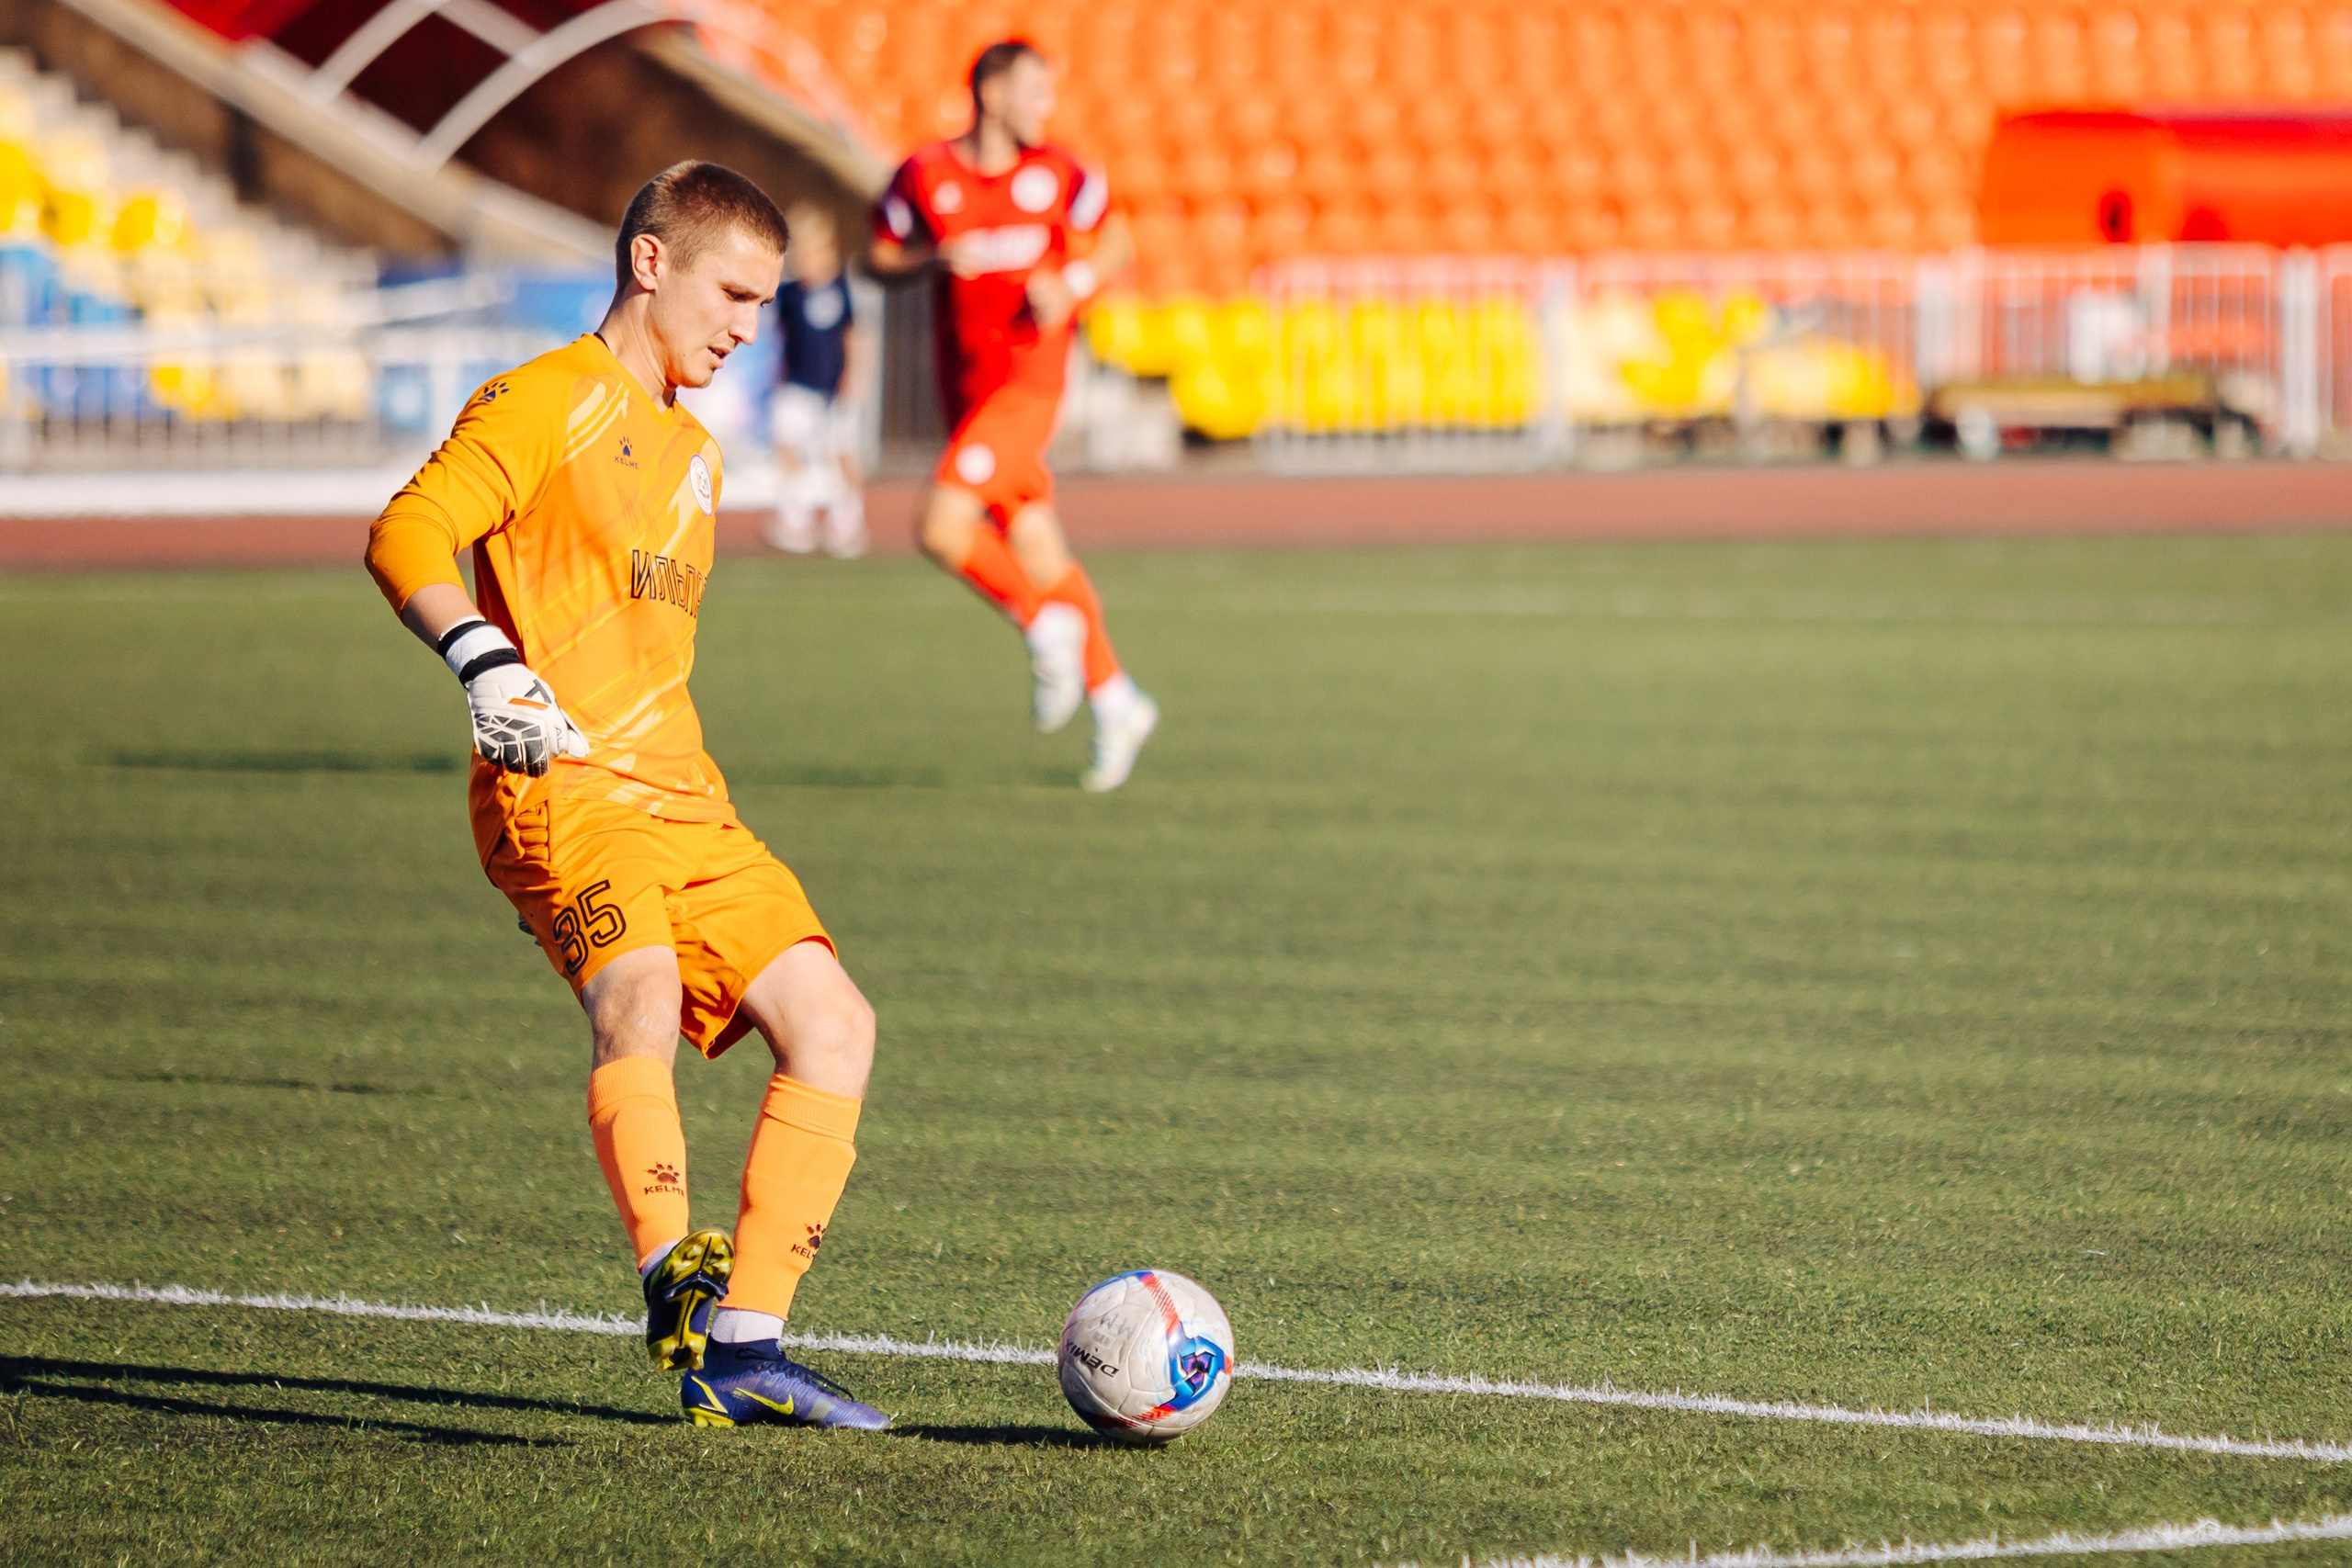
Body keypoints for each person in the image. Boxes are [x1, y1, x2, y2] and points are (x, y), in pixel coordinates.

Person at [362, 161, 888, 1432]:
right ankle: (676, 1280)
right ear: (652, 261)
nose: (749, 327)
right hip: (564, 785)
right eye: (734, 294)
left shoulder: (701, 455)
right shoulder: (547, 400)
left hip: (687, 798)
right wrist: (485, 662)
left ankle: (748, 1347)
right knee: (639, 995)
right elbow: (408, 534)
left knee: (834, 1022)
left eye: (766, 304)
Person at [870, 39, 1158, 793]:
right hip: (968, 393)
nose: (1046, 105)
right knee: (1038, 548)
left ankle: (1043, 626)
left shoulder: (1061, 172)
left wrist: (1074, 282)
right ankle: (1117, 698)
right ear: (991, 93)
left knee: (939, 525)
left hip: (1029, 390)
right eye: (1035, 90)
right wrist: (932, 259)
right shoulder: (925, 174)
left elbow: (1120, 240)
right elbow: (878, 254)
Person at [763, 201, 872, 559]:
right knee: (788, 444)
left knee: (841, 450)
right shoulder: (790, 294)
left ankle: (848, 520)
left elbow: (852, 337)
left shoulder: (842, 287)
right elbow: (782, 339)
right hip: (797, 383)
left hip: (834, 386)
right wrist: (778, 379)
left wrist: (853, 380)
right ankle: (796, 520)